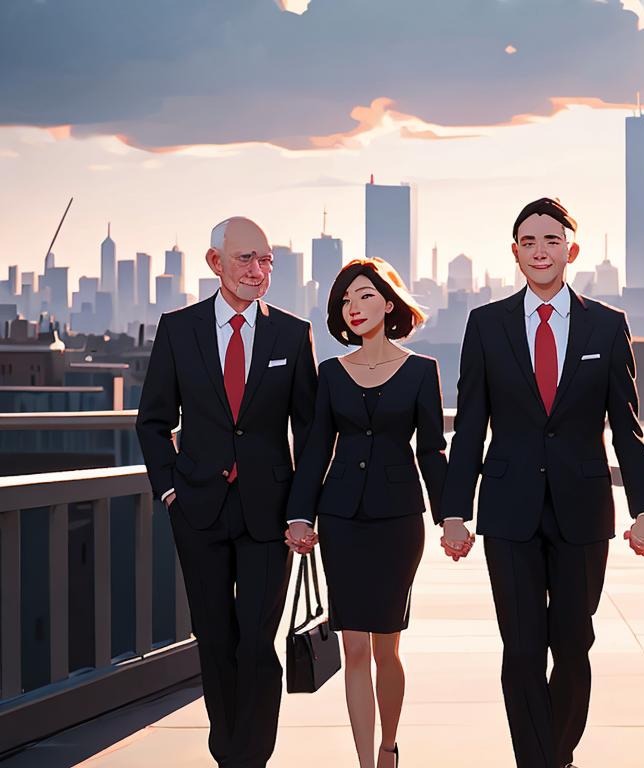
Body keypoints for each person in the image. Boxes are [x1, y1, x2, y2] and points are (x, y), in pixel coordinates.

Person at [439, 198, 644, 768]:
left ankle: (556, 752)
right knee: (520, 646)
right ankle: (538, 761)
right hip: (509, 507)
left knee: (573, 643)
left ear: (572, 250)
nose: (541, 251)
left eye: (552, 241)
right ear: (515, 253)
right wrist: (453, 512)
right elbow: (469, 427)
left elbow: (628, 427)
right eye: (529, 242)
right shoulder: (485, 325)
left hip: (583, 509)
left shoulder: (608, 326)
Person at [135, 216, 318, 768]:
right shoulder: (178, 328)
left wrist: (302, 511)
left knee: (258, 643)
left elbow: (309, 432)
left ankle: (249, 759)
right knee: (214, 639)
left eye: (267, 261)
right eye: (246, 259)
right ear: (215, 263)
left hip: (271, 515)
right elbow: (153, 421)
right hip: (198, 509)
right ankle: (227, 753)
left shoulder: (292, 333)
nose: (258, 271)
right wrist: (170, 493)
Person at [285, 258, 447, 768]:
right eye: (346, 301)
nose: (354, 308)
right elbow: (314, 450)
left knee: (387, 647)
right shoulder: (330, 374)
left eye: (365, 296)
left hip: (398, 521)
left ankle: (389, 746)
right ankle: (363, 761)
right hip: (342, 519)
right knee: (354, 642)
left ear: (389, 301)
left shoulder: (422, 371)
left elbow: (433, 452)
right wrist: (299, 515)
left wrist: (451, 518)